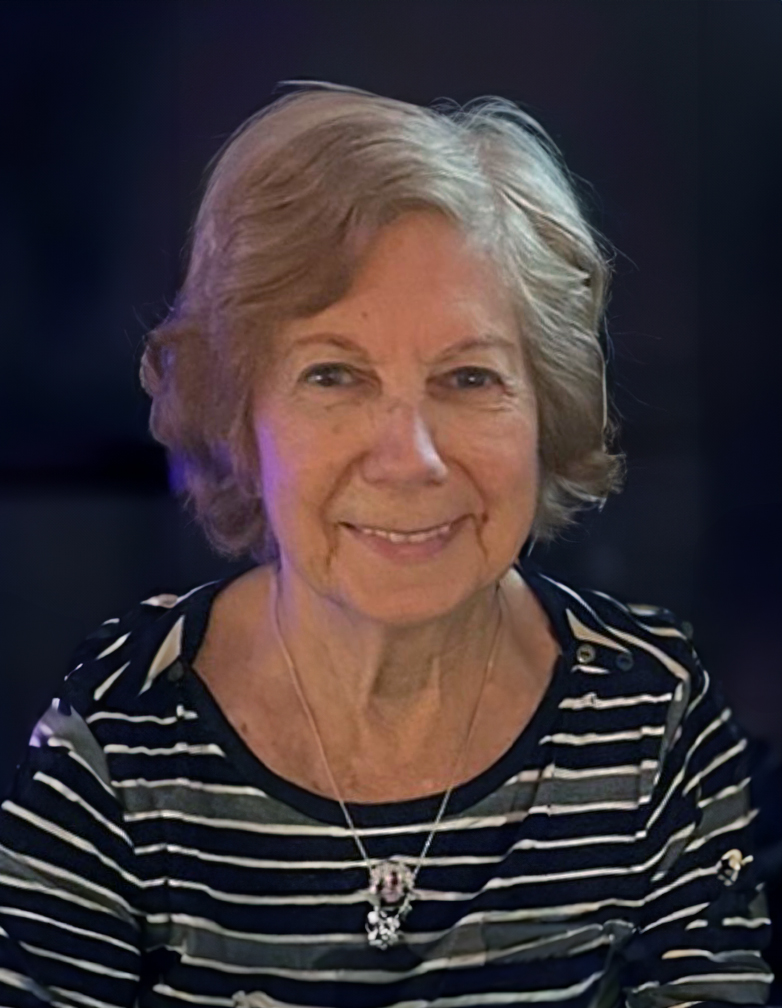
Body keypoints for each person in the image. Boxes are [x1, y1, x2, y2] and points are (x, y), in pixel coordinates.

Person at [0, 82, 772, 1008]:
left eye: (469, 377)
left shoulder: (653, 710)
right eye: (334, 375)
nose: (411, 460)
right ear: (241, 421)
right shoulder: (122, 724)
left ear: (547, 410)